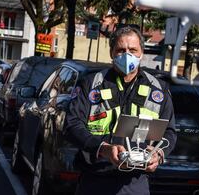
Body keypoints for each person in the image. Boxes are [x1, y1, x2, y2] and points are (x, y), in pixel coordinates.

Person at [64, 26, 177, 195]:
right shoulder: (91, 84)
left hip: (135, 183)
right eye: (120, 50)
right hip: (95, 180)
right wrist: (103, 148)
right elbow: (71, 125)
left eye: (133, 50)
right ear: (111, 53)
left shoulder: (158, 90)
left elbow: (169, 132)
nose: (127, 55)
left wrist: (158, 154)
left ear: (142, 53)